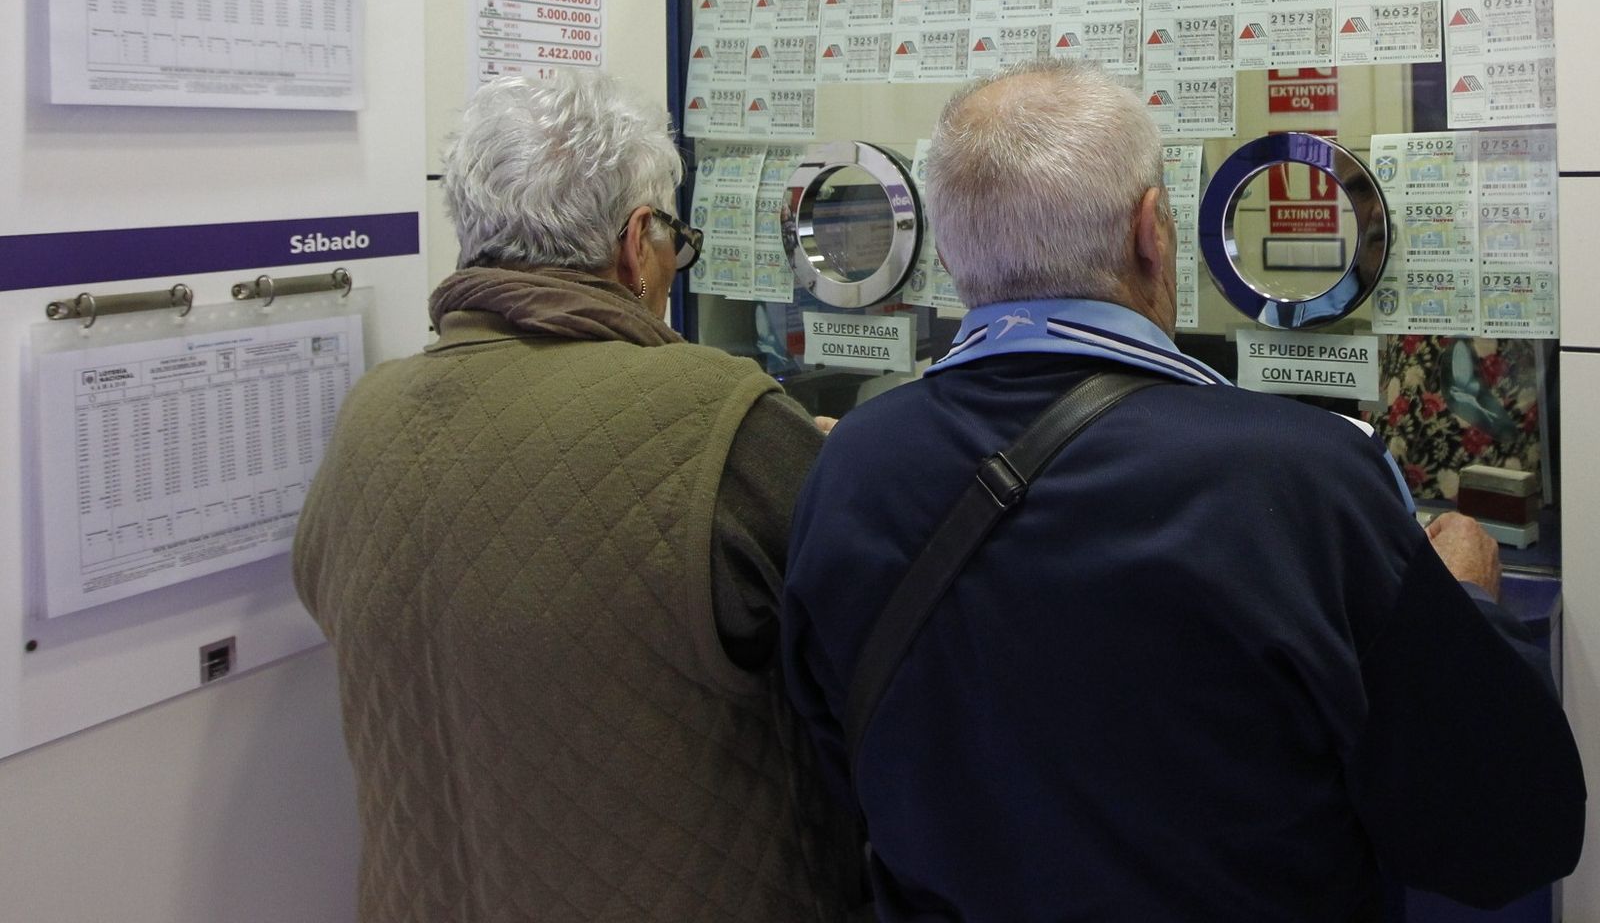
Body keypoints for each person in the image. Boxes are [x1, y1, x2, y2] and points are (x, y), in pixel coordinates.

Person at [780, 61, 1586, 922]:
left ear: (944, 254)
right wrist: (1466, 601)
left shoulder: (852, 467)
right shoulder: (1303, 480)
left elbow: (836, 771)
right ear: (1153, 232)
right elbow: (1505, 834)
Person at [295, 71, 866, 923]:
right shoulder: (717, 414)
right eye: (677, 238)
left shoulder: (366, 418)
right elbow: (867, 654)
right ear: (640, 243)